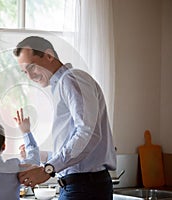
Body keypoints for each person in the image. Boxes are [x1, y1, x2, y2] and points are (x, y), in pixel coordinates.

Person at [13, 36, 116, 200]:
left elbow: (88, 134)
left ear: (49, 55)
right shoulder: (62, 84)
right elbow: (80, 152)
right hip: (79, 186)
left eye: (32, 67)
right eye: (25, 72)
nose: (30, 76)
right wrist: (42, 156)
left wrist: (48, 169)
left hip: (83, 188)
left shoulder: (71, 79)